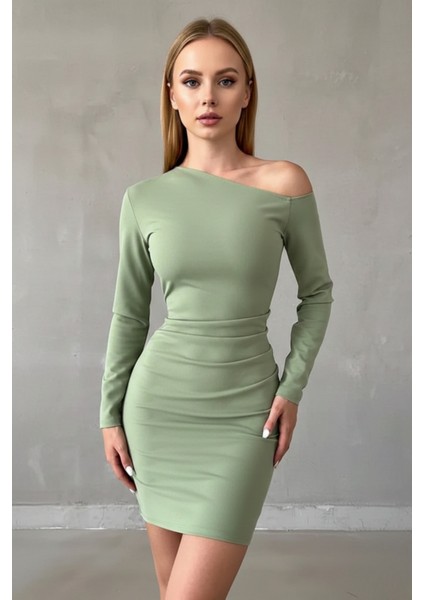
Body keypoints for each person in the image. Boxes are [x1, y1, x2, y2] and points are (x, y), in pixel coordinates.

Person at [100, 16, 334, 600]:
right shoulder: (143, 200)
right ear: (172, 95)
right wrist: (110, 414)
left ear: (247, 92)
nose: (208, 96)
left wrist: (292, 388)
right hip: (158, 412)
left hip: (244, 414)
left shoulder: (284, 183)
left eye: (226, 80)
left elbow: (317, 294)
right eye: (192, 81)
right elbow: (129, 316)